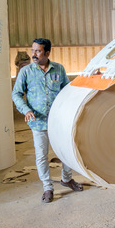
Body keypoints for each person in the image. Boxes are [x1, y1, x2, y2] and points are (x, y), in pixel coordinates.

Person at [12, 38, 83, 203]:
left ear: (47, 53)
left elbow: (67, 91)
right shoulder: (26, 72)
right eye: (33, 50)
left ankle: (67, 179)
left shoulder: (59, 69)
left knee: (66, 151)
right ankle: (47, 187)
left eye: (38, 51)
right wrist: (26, 110)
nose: (34, 54)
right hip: (38, 122)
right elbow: (16, 94)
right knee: (42, 155)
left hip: (59, 120)